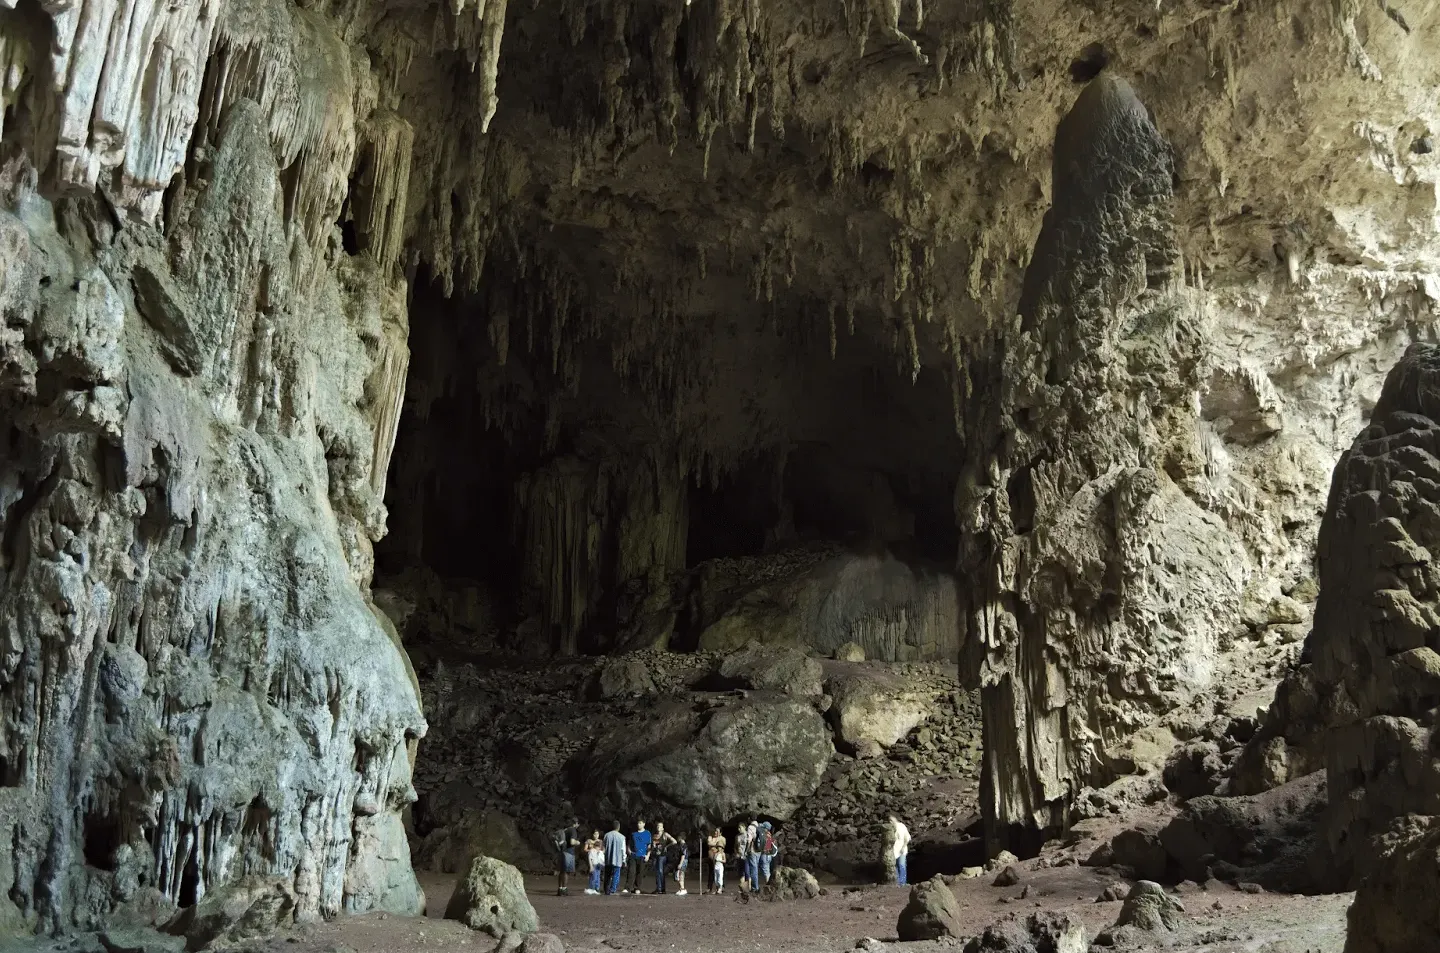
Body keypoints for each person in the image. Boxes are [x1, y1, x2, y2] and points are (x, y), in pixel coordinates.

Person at [552, 817, 581, 896]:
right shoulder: (573, 830)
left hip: (561, 852)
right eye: (578, 824)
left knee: (561, 871)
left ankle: (560, 889)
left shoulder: (565, 830)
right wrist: (578, 842)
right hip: (568, 852)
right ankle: (564, 889)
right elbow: (572, 842)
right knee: (566, 871)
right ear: (576, 823)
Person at [625, 819, 652, 895]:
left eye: (640, 823)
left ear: (644, 824)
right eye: (638, 823)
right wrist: (629, 851)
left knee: (640, 873)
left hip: (642, 856)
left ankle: (637, 888)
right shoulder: (634, 833)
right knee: (631, 871)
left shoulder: (647, 833)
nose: (639, 825)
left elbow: (649, 845)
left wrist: (648, 855)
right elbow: (629, 843)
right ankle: (628, 887)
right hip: (633, 855)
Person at [651, 822, 678, 894]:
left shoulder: (665, 834)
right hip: (656, 855)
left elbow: (674, 841)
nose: (658, 827)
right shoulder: (655, 835)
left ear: (662, 828)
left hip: (662, 855)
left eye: (660, 826)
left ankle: (661, 889)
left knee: (660, 871)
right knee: (657, 872)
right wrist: (653, 846)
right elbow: (653, 846)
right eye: (657, 826)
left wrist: (666, 846)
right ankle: (659, 888)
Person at [603, 821, 627, 895]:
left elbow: (604, 847)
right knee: (616, 875)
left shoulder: (606, 835)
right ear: (618, 827)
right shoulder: (622, 837)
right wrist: (624, 859)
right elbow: (623, 849)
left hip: (608, 858)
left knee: (607, 874)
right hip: (617, 859)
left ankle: (606, 889)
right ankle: (612, 890)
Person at [890, 815, 911, 886]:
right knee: (895, 867)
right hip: (894, 851)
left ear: (895, 820)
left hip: (902, 850)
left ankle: (902, 883)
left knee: (902, 866)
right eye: (890, 821)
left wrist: (903, 847)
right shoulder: (890, 829)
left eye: (892, 821)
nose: (891, 822)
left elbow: (907, 838)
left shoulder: (901, 827)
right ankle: (897, 883)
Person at [756, 821, 777, 888]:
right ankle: (769, 884)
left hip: (765, 855)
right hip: (769, 856)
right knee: (766, 870)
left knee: (766, 871)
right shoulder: (769, 835)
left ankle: (769, 886)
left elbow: (766, 847)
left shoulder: (764, 835)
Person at [741, 816, 759, 893]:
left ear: (749, 818)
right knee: (755, 869)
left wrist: (746, 850)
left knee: (753, 870)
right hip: (758, 850)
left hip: (752, 850)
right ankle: (754, 886)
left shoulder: (750, 827)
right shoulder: (759, 825)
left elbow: (749, 840)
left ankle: (755, 888)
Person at [706, 827, 726, 894]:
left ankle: (721, 887)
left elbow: (722, 845)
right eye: (715, 831)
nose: (715, 832)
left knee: (720, 873)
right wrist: (717, 843)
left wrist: (714, 843)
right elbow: (709, 843)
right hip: (711, 857)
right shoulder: (710, 837)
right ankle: (709, 887)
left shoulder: (722, 838)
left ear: (720, 833)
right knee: (711, 873)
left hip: (719, 858)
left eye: (717, 831)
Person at [584, 830, 605, 894]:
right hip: (592, 859)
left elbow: (603, 849)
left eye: (597, 834)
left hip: (598, 860)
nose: (596, 835)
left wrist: (600, 852)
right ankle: (592, 887)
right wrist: (592, 850)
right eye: (595, 834)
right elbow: (585, 849)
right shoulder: (589, 841)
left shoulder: (600, 841)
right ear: (592, 834)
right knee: (592, 874)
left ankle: (597, 887)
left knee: (598, 874)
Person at [674, 831, 692, 896]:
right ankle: (680, 888)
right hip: (681, 860)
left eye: (678, 837)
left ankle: (683, 888)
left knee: (681, 874)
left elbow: (683, 855)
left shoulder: (683, 845)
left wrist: (680, 863)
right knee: (678, 875)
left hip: (683, 861)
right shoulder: (681, 845)